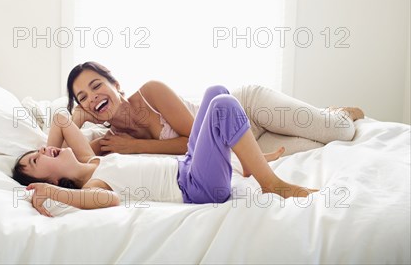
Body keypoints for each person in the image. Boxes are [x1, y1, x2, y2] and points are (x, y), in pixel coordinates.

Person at [13, 85, 319, 217]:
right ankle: (272, 183)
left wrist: (51, 147)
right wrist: (52, 193)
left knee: (216, 92)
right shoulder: (93, 184)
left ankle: (246, 164)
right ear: (53, 181)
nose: (42, 150)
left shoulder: (91, 160)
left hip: (187, 165)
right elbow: (109, 199)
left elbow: (62, 119)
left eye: (39, 150)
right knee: (224, 107)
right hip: (197, 187)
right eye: (35, 159)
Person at [65, 61, 364, 156]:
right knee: (318, 148)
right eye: (83, 97)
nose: (92, 97)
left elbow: (195, 141)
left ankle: (337, 112)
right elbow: (69, 151)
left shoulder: (151, 92)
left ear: (116, 85)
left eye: (96, 86)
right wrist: (78, 113)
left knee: (340, 131)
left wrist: (135, 146)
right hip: (242, 144)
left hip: (247, 109)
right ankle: (322, 116)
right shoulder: (111, 139)